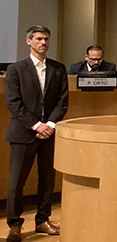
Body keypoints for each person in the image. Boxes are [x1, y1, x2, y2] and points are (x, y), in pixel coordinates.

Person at [4, 25, 68, 241]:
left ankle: (42, 220)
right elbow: (13, 101)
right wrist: (35, 125)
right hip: (23, 133)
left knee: (47, 179)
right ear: (28, 41)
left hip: (50, 132)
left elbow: (62, 101)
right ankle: (14, 224)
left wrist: (49, 124)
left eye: (46, 39)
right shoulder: (16, 69)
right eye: (39, 38)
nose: (43, 42)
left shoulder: (58, 69)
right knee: (17, 182)